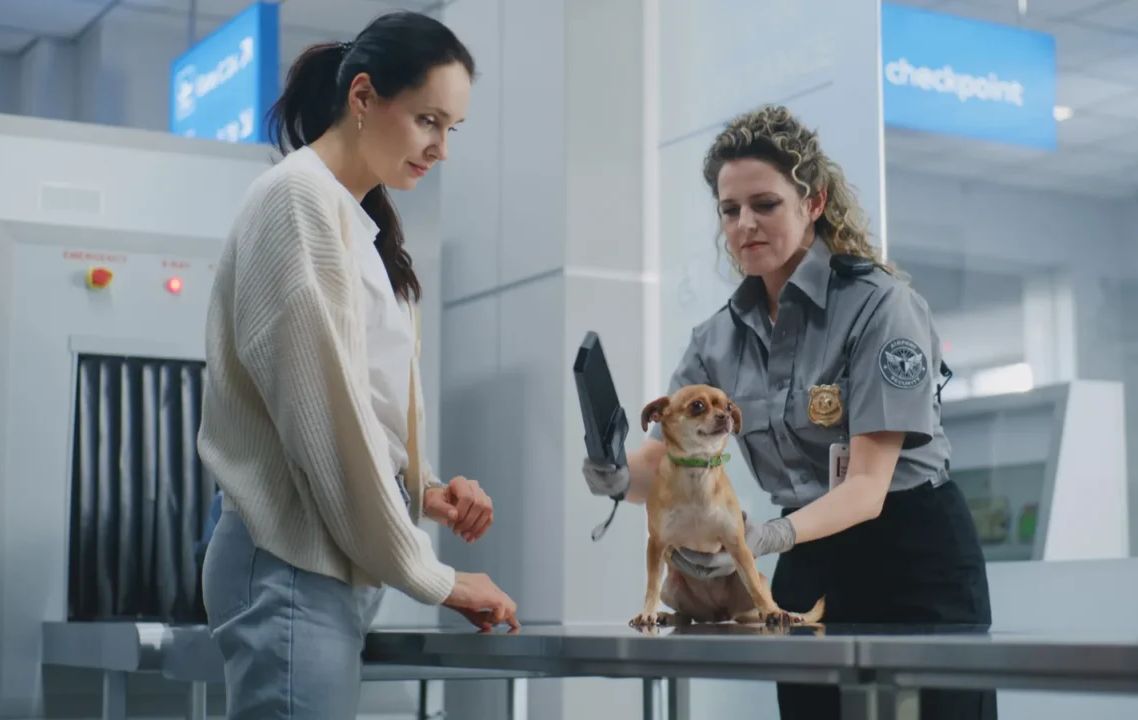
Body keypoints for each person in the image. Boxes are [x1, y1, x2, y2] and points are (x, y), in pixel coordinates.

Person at [584, 104, 995, 720]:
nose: (744, 223)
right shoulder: (716, 338)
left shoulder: (881, 306)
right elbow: (669, 458)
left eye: (765, 204)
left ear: (815, 202)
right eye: (729, 210)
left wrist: (764, 536)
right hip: (807, 558)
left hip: (912, 556)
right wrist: (618, 476)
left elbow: (866, 488)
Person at [197, 12, 519, 719]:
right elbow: (323, 422)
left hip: (315, 562)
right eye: (428, 120)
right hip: (286, 561)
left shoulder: (352, 219)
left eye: (451, 129)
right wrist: (437, 580)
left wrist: (422, 489)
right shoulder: (297, 200)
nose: (440, 149)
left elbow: (354, 408)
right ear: (365, 97)